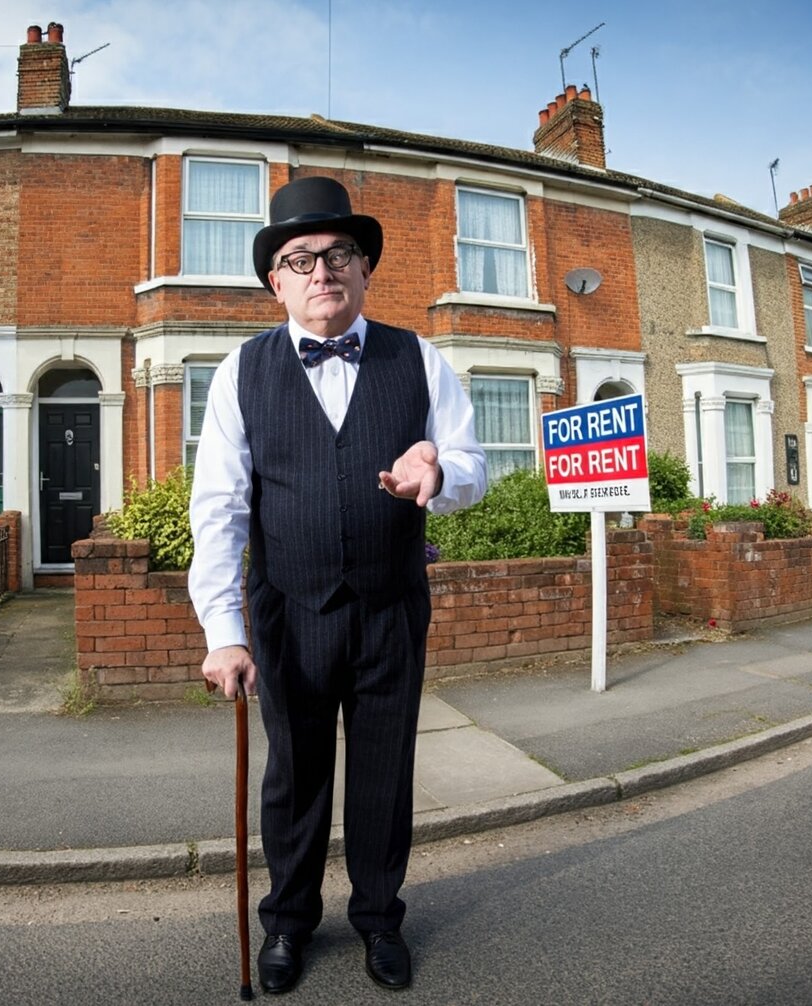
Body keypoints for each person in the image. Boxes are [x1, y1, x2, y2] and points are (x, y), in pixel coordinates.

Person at [189, 176, 486, 994]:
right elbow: (217, 506)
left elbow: (472, 465)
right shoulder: (239, 373)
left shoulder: (419, 358)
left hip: (392, 604)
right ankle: (287, 924)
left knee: (385, 777)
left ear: (364, 269)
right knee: (296, 777)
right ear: (275, 281)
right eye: (300, 258)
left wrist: (440, 468)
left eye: (339, 254)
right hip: (289, 609)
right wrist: (225, 631)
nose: (322, 271)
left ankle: (381, 920)